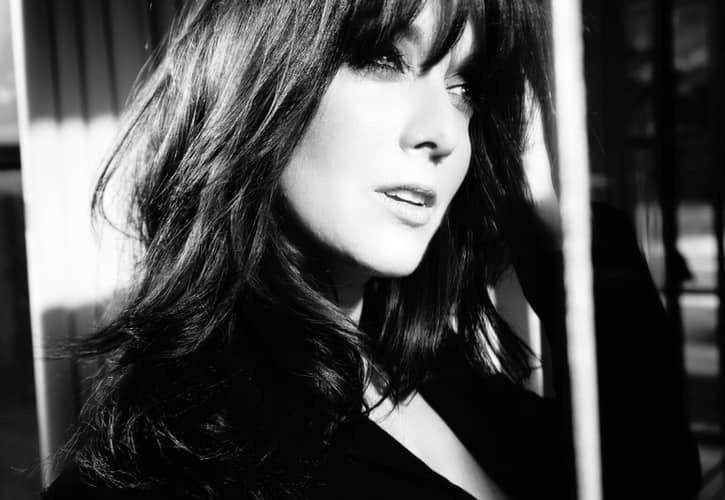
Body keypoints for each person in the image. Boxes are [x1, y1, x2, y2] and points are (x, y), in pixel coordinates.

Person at [43, 0, 575, 498]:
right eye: (383, 59)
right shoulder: (168, 471)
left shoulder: (433, 370)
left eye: (464, 88)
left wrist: (556, 239)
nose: (445, 134)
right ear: (257, 76)